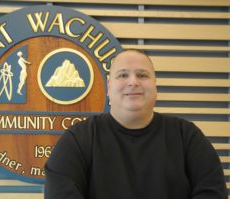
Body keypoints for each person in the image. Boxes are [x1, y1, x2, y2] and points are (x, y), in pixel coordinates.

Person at [44, 49, 227, 199]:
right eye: (123, 75)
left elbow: (213, 192)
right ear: (109, 87)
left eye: (142, 75)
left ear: (155, 86)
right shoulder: (77, 140)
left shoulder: (187, 136)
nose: (133, 82)